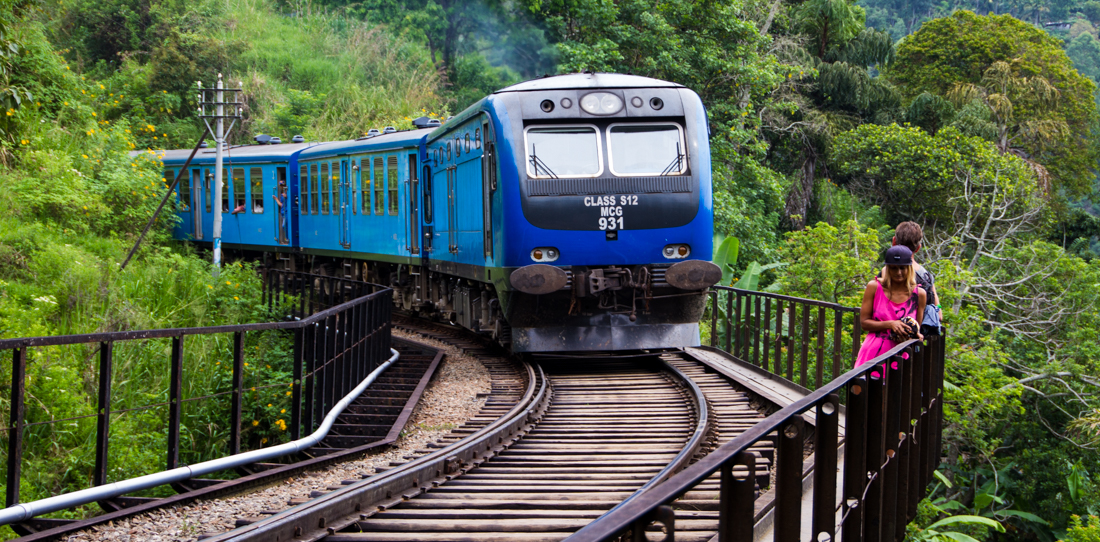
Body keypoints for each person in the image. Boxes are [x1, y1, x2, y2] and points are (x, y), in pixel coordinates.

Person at [856, 245, 927, 367]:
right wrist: (891, 324)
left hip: (901, 355)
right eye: (893, 268)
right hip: (874, 352)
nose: (898, 272)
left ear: (909, 269)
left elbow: (916, 327)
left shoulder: (919, 294)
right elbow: (864, 323)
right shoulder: (874, 287)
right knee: (864, 385)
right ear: (887, 269)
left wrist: (915, 335)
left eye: (902, 268)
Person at [893, 221, 942, 337]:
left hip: (892, 340)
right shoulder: (926, 276)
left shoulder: (890, 273)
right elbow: (939, 315)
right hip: (919, 343)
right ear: (918, 248)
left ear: (894, 241)